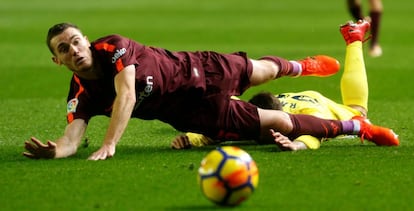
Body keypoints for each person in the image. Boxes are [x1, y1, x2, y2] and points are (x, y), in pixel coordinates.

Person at [23, 21, 398, 161]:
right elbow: (73, 137)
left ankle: (302, 67)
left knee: (261, 72)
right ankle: (358, 129)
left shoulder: (113, 46)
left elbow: (128, 95)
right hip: (192, 115)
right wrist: (57, 149)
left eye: (75, 41)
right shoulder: (80, 94)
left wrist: (110, 144)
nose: (73, 49)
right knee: (281, 123)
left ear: (86, 41)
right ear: (58, 60)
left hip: (197, 69)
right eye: (63, 48)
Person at [171, 20, 399, 151]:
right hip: (285, 98)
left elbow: (314, 136)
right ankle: (319, 57)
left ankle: (354, 39)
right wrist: (191, 138)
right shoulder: (256, 117)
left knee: (358, 111)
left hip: (321, 106)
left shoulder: (311, 115)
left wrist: (296, 146)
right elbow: (223, 122)